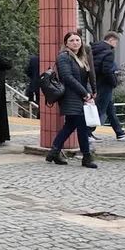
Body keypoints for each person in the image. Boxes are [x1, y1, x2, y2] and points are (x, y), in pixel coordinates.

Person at [46, 31, 99, 168]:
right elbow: (67, 77)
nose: (75, 43)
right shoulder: (64, 57)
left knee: (70, 126)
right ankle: (86, 157)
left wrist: (90, 93)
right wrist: (85, 93)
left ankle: (54, 152)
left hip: (80, 96)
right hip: (71, 96)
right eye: (71, 40)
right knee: (82, 127)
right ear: (66, 43)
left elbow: (85, 78)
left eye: (77, 40)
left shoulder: (81, 57)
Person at [91, 32, 125, 141]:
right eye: (116, 42)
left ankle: (119, 132)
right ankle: (87, 132)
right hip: (105, 84)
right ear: (111, 40)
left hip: (97, 82)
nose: (116, 45)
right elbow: (107, 70)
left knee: (110, 109)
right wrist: (114, 82)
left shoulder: (95, 49)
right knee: (100, 109)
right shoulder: (108, 52)